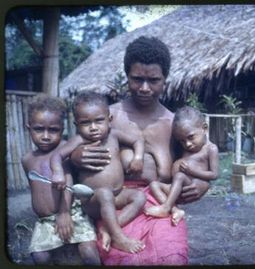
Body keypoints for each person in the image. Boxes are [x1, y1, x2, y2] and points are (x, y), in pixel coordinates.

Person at [70, 36, 211, 265]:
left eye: (153, 80)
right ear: (127, 76)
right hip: (116, 207)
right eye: (137, 79)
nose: (145, 88)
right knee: (125, 260)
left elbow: (197, 162)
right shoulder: (106, 118)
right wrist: (76, 157)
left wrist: (202, 184)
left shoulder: (174, 124)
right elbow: (67, 156)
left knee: (171, 257)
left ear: (165, 79)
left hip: (159, 206)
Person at [50, 91, 146, 254]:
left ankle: (107, 229)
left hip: (118, 194)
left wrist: (138, 158)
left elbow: (138, 140)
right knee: (104, 194)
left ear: (109, 120)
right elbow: (57, 156)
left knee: (139, 197)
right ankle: (119, 238)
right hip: (93, 200)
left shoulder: (114, 135)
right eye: (85, 123)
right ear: (77, 125)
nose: (93, 127)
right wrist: (58, 173)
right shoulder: (79, 140)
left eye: (99, 120)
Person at [21, 94, 100, 265]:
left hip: (70, 212)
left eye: (53, 130)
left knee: (88, 251)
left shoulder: (65, 150)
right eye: (39, 129)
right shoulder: (27, 159)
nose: (46, 136)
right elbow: (36, 189)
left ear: (62, 129)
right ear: (29, 128)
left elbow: (68, 180)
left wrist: (64, 213)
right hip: (44, 221)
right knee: (39, 257)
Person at [144, 106, 219, 225]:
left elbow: (214, 174)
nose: (187, 144)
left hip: (189, 184)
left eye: (191, 137)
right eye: (182, 141)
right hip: (175, 187)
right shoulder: (188, 145)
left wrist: (192, 171)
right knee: (154, 185)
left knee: (180, 176)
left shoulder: (210, 149)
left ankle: (165, 207)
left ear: (204, 128)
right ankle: (174, 209)